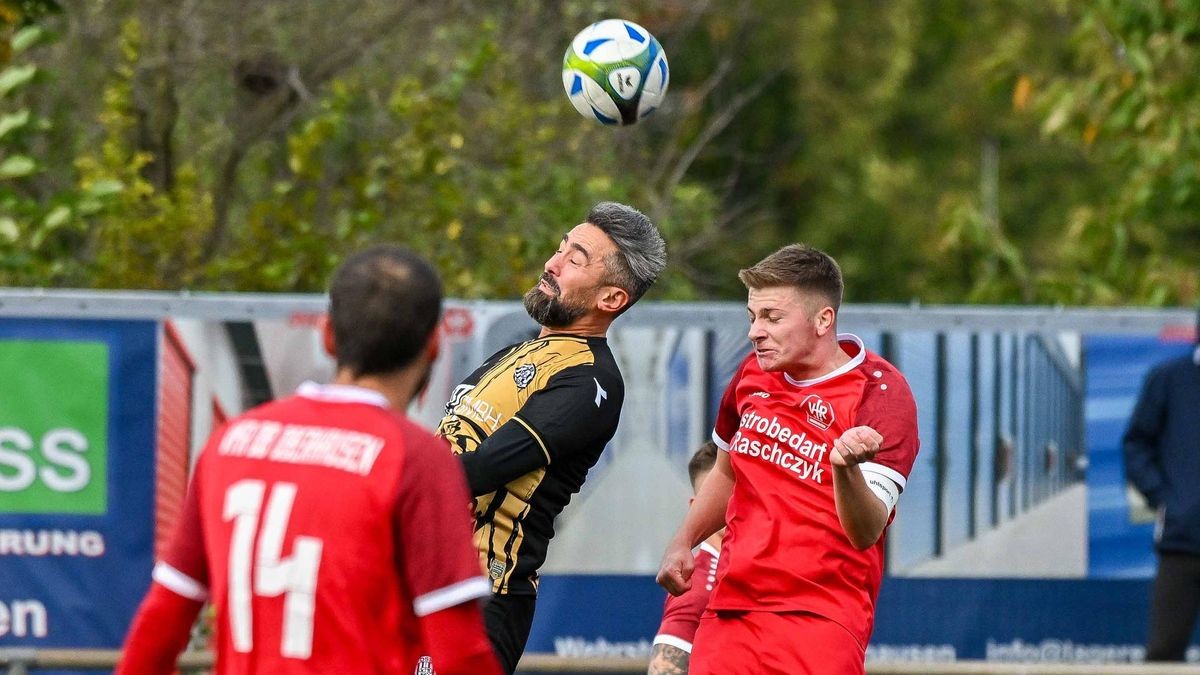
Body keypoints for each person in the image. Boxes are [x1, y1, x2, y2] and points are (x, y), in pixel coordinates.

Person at [116, 245, 501, 675]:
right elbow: (461, 654)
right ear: (434, 344)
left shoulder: (233, 440)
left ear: (328, 335)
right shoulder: (416, 458)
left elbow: (163, 620)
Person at [656, 244, 919, 675]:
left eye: (772, 317)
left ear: (823, 320)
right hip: (730, 612)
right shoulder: (751, 374)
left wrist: (844, 468)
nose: (755, 332)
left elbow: (865, 530)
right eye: (752, 317)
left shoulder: (882, 393)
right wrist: (684, 539)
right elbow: (726, 472)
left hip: (820, 619)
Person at [436, 201, 666, 674]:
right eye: (561, 247)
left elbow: (478, 470)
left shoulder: (590, 381)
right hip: (431, 583)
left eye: (575, 258)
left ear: (611, 300)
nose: (552, 262)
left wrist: (371, 481)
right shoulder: (520, 350)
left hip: (483, 597)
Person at [1123, 307, 1200, 662]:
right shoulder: (1170, 378)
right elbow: (1136, 443)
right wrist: (1166, 498)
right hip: (1182, 542)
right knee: (1165, 654)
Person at [648, 441, 725, 675]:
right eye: (715, 498)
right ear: (696, 507)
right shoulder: (698, 587)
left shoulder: (734, 573)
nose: (729, 505)